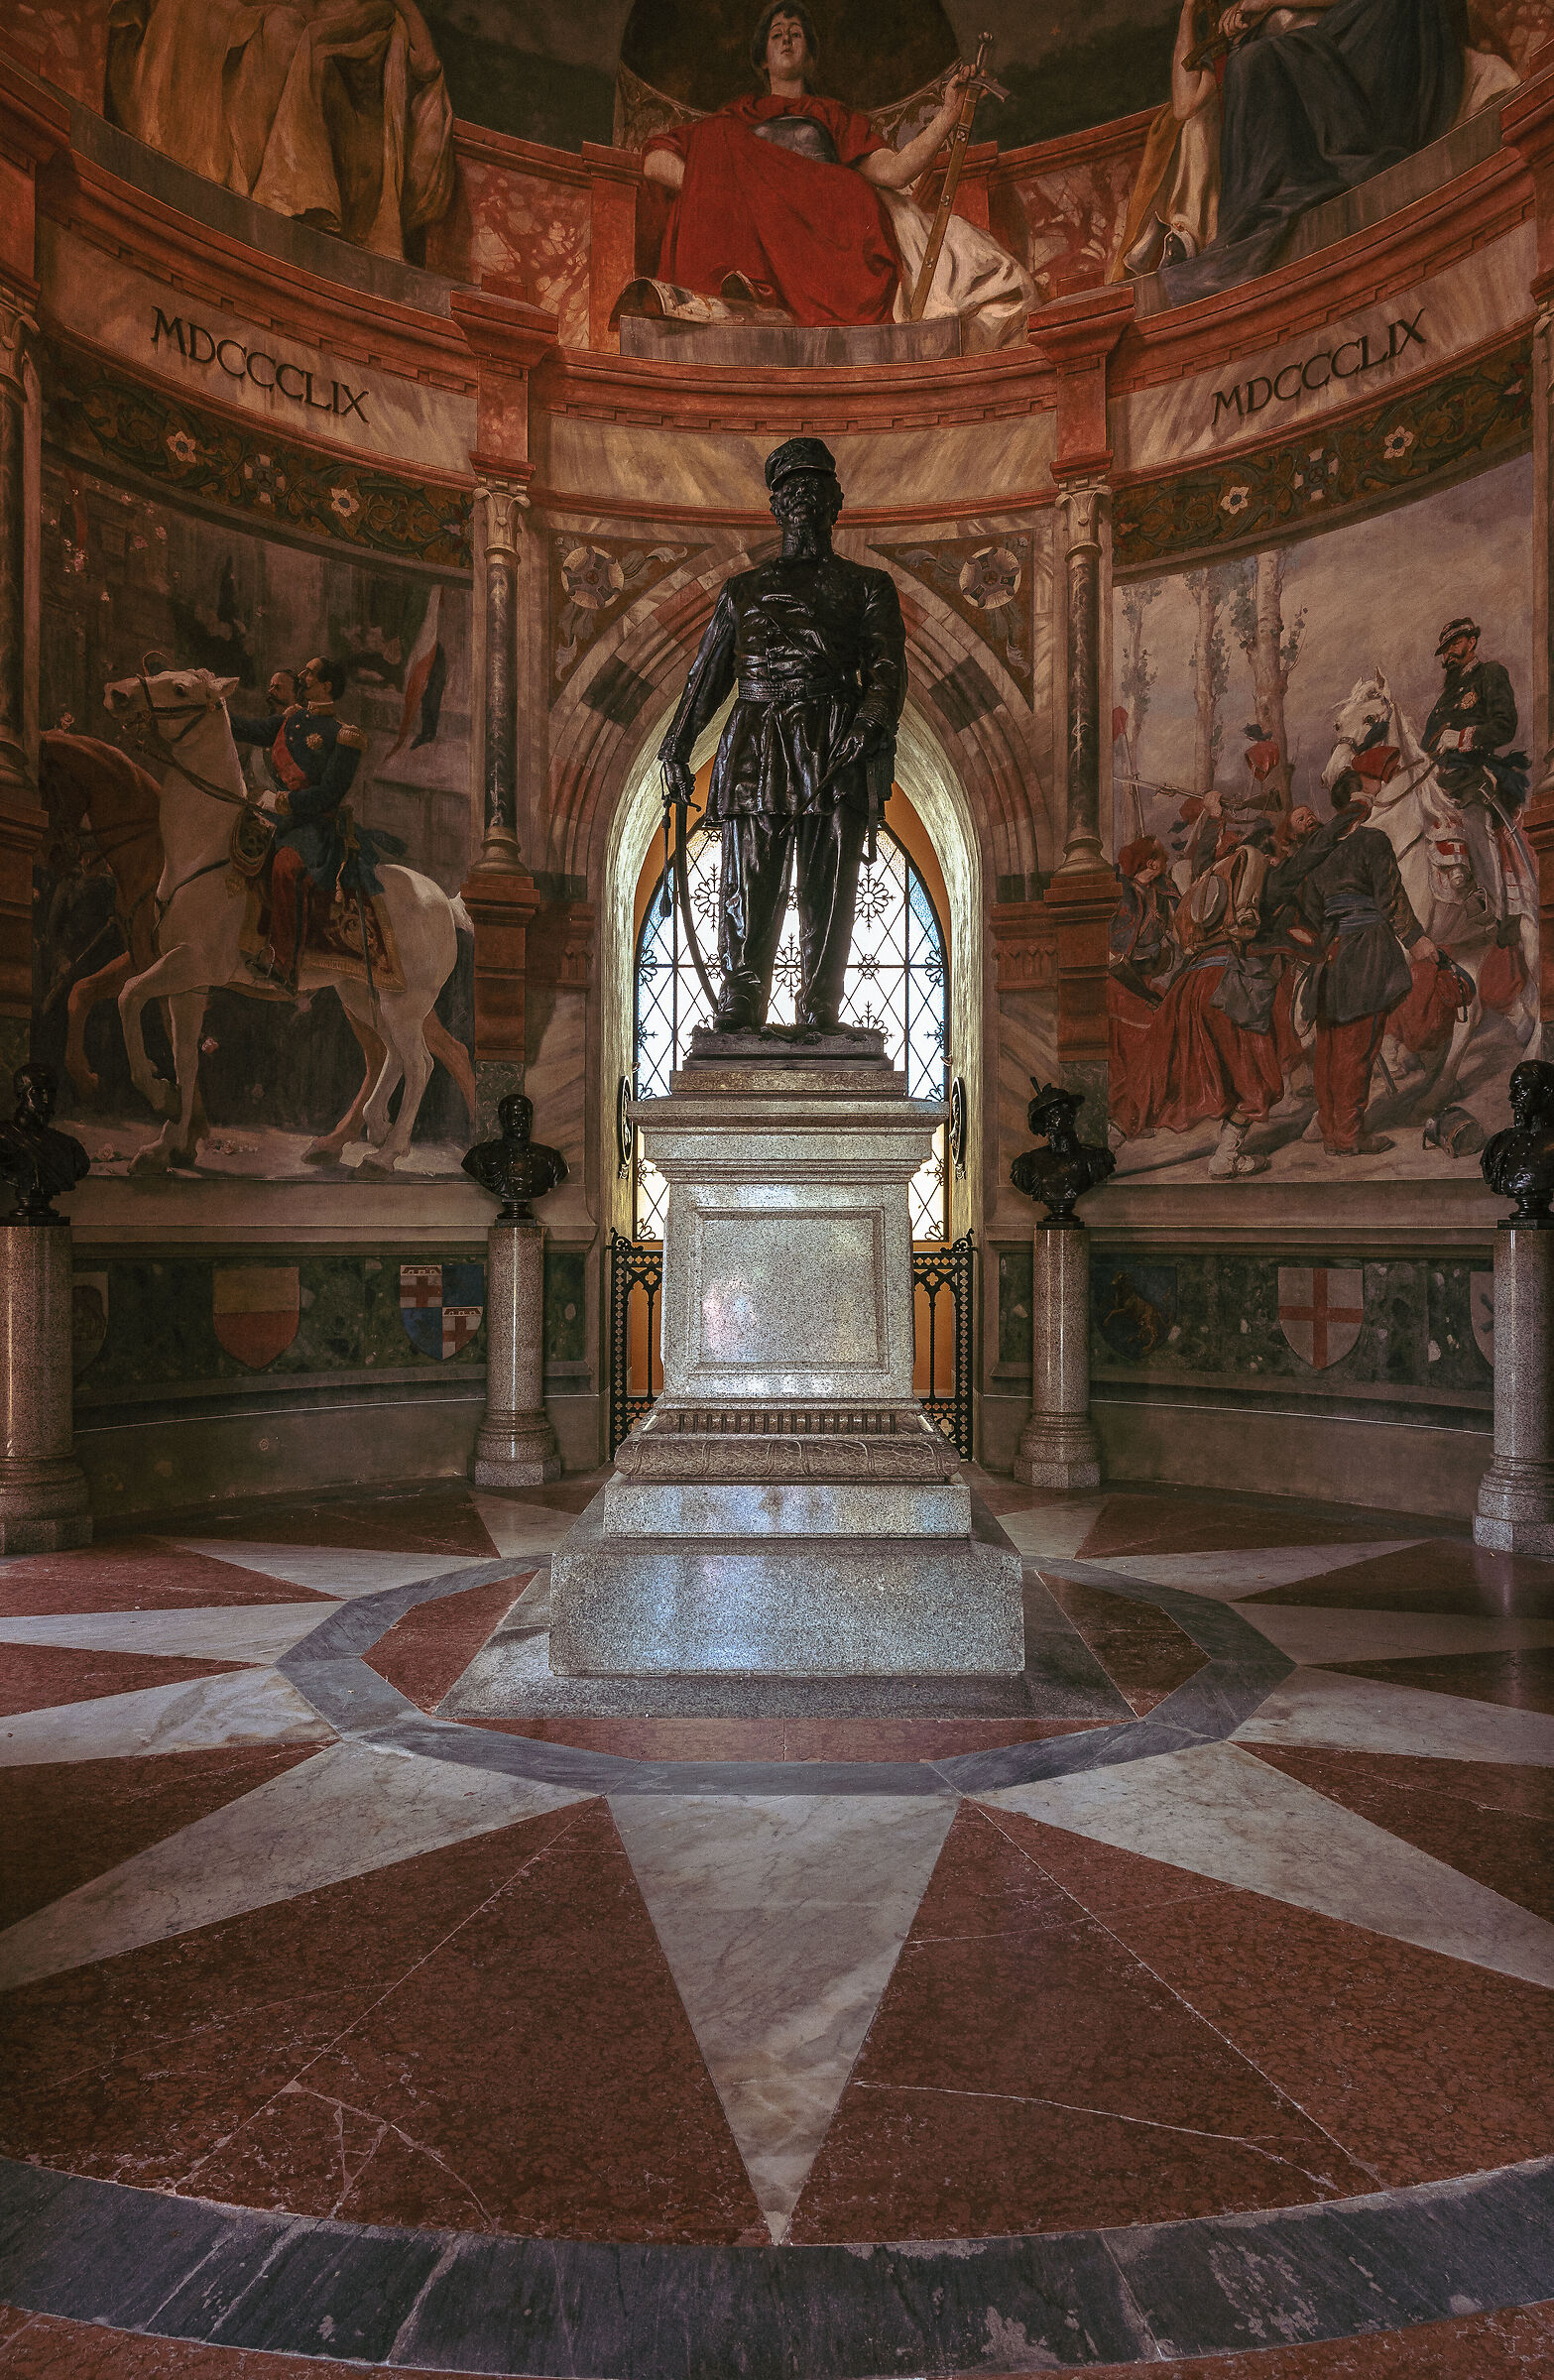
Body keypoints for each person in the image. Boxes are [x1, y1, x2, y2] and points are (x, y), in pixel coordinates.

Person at [657, 436, 905, 1032]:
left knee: (831, 881)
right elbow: (705, 682)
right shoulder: (740, 592)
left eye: (815, 491)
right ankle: (742, 996)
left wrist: (868, 724)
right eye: (792, 491)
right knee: (748, 875)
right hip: (756, 743)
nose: (804, 502)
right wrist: (675, 749)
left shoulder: (867, 585)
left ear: (835, 502)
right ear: (776, 506)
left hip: (833, 737)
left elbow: (887, 670)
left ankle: (820, 1006)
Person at [641, 5, 1033, 349]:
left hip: (828, 233)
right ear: (762, 56)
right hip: (757, 230)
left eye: (796, 34)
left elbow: (896, 171)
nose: (787, 40)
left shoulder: (831, 115)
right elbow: (655, 161)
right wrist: (726, 186)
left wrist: (948, 114)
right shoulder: (736, 119)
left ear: (810, 55)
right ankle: (749, 284)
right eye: (777, 34)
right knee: (715, 137)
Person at [1114, 0, 1516, 298]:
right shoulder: (1243, 41)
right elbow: (1185, 104)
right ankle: (1239, 225)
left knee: (1259, 61)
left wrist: (1268, 4)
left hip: (1363, 69)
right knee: (1249, 65)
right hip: (1299, 101)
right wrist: (1190, 12)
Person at [106, 0, 454, 260]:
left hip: (311, 42)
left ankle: (278, 201)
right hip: (263, 26)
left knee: (281, 31)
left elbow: (423, 60)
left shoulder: (374, 14)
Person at [1298, 772, 1435, 1156]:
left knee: (1328, 1047)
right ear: (1359, 799)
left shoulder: (1316, 851)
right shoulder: (1372, 840)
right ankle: (1347, 1137)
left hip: (1331, 957)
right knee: (1358, 1046)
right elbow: (1390, 897)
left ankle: (1332, 1132)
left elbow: (1310, 912)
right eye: (1371, 788)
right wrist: (1416, 939)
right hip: (1366, 951)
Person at [230, 655, 375, 995]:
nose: (303, 675)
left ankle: (284, 966)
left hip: (315, 830)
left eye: (310, 672)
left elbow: (328, 794)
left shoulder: (345, 736)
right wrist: (212, 708)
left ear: (326, 685)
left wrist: (281, 801)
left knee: (285, 867)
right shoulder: (291, 719)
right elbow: (251, 729)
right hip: (279, 822)